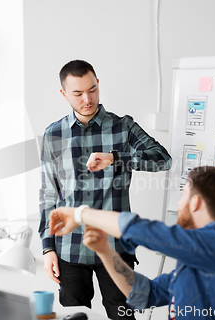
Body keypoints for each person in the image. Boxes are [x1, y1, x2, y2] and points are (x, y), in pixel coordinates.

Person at [38, 60, 172, 319]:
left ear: (98, 84)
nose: (87, 99)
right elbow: (48, 194)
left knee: (123, 317)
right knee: (74, 318)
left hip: (116, 249)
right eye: (77, 93)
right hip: (69, 249)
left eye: (92, 89)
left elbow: (162, 159)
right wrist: (47, 248)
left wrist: (116, 158)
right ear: (64, 94)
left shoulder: (123, 127)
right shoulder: (53, 134)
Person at [48, 166, 215, 319]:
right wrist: (105, 251)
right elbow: (143, 294)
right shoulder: (203, 254)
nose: (179, 204)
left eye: (183, 196)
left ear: (195, 202)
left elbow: (150, 232)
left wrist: (80, 214)